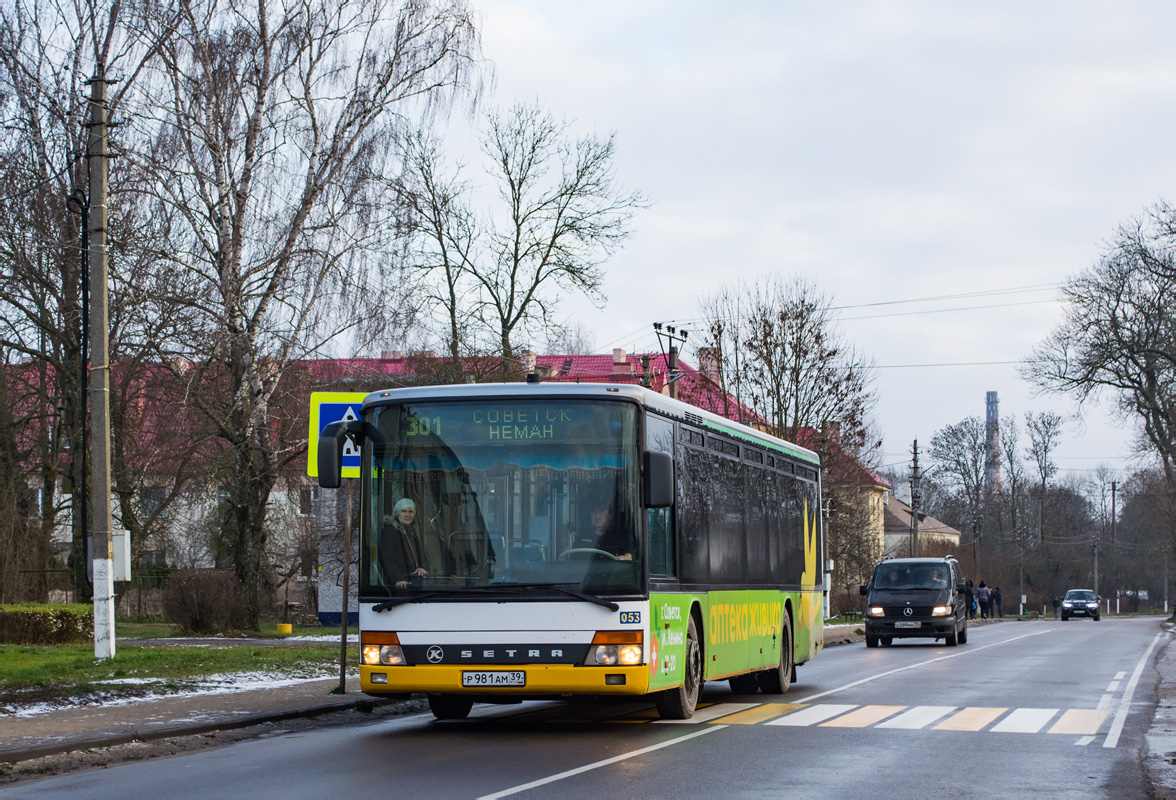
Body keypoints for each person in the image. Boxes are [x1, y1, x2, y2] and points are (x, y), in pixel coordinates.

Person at [379, 498, 451, 590]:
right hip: (399, 585)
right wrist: (399, 579)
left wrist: (421, 567)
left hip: (412, 583)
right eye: (404, 511)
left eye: (411, 511)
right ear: (397, 513)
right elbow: (388, 560)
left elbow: (420, 557)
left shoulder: (412, 532)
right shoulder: (390, 531)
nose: (408, 515)